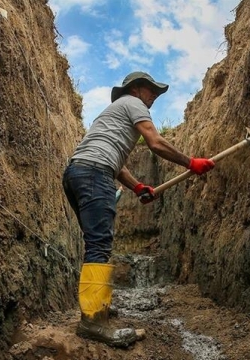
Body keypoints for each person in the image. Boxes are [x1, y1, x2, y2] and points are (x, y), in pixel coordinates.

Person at [62, 71, 215, 347]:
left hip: (77, 173)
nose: (154, 95)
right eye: (150, 89)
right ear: (135, 89)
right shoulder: (134, 104)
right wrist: (190, 162)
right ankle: (92, 323)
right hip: (95, 174)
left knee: (95, 242)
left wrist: (137, 187)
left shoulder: (111, 116)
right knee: (99, 244)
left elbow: (116, 164)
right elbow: (155, 143)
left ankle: (99, 305)